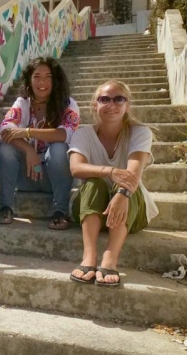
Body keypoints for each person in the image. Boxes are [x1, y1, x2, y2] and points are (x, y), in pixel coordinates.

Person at [67, 80, 157, 286]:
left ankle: (110, 258)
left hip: (132, 210)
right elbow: (76, 168)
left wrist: (121, 195)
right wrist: (109, 171)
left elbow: (132, 174)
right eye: (104, 99)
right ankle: (89, 257)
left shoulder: (140, 132)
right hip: (91, 206)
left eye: (119, 99)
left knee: (125, 185)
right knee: (93, 182)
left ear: (127, 105)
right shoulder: (83, 133)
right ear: (94, 105)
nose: (111, 105)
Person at [0, 57, 80, 230]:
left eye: (48, 77)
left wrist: (28, 132)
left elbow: (65, 134)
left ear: (55, 80)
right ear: (29, 80)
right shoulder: (23, 103)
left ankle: (60, 211)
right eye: (37, 76)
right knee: (6, 147)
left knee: (59, 148)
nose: (42, 82)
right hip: (26, 175)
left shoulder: (68, 104)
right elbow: (4, 129)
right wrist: (28, 150)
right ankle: (5, 206)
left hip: (55, 177)